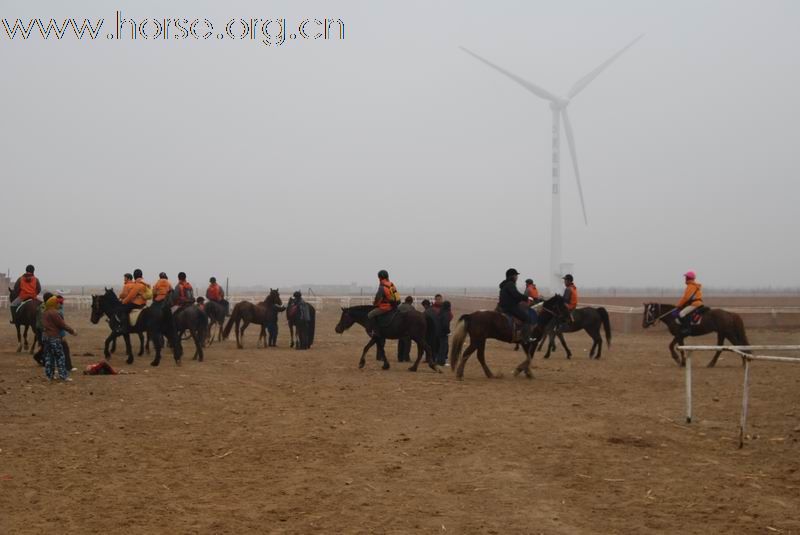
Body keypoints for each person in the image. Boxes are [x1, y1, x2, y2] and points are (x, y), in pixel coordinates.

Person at [41, 295, 77, 382]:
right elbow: (62, 325)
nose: (59, 304)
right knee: (60, 356)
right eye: (57, 303)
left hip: (46, 338)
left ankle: (49, 375)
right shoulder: (54, 313)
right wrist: (72, 331)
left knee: (49, 357)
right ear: (54, 303)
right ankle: (63, 376)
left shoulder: (45, 312)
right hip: (54, 338)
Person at [498, 268, 535, 341]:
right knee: (527, 318)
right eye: (516, 275)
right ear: (511, 276)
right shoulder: (510, 284)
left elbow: (513, 296)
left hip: (504, 306)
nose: (517, 277)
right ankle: (526, 338)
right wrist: (527, 298)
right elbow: (516, 295)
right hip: (510, 307)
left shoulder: (505, 284)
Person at [366, 270, 400, 337]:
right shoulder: (391, 284)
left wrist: (375, 304)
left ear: (380, 277)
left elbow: (377, 299)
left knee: (370, 314)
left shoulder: (382, 287)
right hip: (395, 305)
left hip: (386, 307)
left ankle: (374, 332)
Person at [675, 270, 704, 335]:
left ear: (689, 278)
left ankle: (687, 329)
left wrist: (679, 305)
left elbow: (686, 298)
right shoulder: (693, 285)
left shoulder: (691, 286)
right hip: (697, 303)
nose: (685, 278)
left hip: (695, 304)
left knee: (681, 313)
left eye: (686, 277)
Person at [432, 295, 453, 366]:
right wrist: (448, 331)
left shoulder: (441, 312)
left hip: (438, 331)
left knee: (440, 346)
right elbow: (445, 324)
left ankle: (438, 360)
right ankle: (441, 361)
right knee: (443, 347)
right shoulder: (445, 313)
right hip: (443, 333)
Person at [396, 296, 415, 362]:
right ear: (411, 301)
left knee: (400, 343)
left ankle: (400, 357)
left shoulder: (399, 307)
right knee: (407, 344)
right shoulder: (411, 308)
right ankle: (406, 357)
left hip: (399, 327)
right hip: (407, 328)